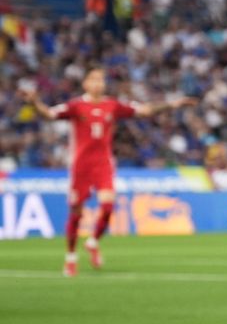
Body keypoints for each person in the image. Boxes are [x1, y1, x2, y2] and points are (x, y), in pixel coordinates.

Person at [23, 69, 194, 275]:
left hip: (103, 164)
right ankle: (71, 257)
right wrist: (35, 103)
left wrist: (172, 104)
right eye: (93, 80)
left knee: (108, 205)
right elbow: (49, 114)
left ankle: (93, 242)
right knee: (76, 212)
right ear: (85, 84)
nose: (98, 84)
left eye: (101, 80)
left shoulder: (112, 105)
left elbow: (145, 110)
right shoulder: (76, 106)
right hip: (81, 166)